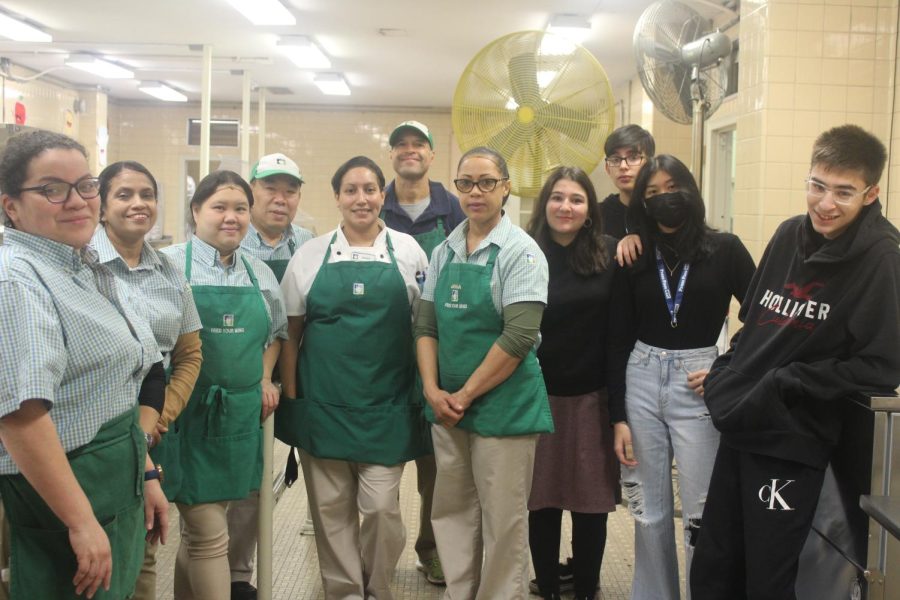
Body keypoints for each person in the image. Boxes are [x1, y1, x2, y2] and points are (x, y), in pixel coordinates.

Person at [691, 125, 900, 600]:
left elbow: (883, 366)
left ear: (871, 194)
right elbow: (756, 324)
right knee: (716, 562)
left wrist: (788, 382)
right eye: (818, 186)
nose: (826, 203)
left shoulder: (883, 259)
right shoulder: (788, 235)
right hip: (742, 423)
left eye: (843, 192)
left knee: (767, 576)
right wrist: (729, 370)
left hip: (792, 438)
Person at [0, 130, 167, 599]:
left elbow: (116, 384)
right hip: (69, 489)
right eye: (53, 189)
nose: (77, 201)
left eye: (85, 184)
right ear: (11, 205)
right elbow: (20, 416)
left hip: (118, 476)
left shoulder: (82, 265)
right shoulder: (17, 281)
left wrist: (146, 472)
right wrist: (79, 521)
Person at [277, 156, 430, 600]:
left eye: (369, 189)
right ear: (338, 197)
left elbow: (424, 328)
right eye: (350, 190)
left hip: (390, 404)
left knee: (382, 509)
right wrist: (294, 397)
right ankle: (344, 593)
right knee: (330, 512)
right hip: (323, 404)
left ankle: (376, 586)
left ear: (383, 195)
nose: (360, 198)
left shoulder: (409, 252)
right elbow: (291, 332)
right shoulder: (309, 255)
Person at [614, 154, 755, 600]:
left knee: (700, 511)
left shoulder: (725, 248)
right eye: (651, 193)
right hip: (641, 376)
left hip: (699, 380)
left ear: (690, 191)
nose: (663, 199)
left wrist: (726, 366)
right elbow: (616, 335)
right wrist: (617, 414)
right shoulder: (634, 251)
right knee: (648, 510)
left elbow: (762, 318)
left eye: (671, 187)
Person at [414, 146, 553, 599]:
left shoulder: (521, 253)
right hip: (448, 406)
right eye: (466, 183)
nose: (476, 192)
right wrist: (433, 389)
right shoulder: (446, 249)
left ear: (506, 187)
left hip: (503, 408)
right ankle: (459, 592)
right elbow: (426, 324)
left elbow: (517, 338)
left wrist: (465, 394)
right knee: (451, 511)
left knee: (503, 519)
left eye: (487, 182)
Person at [161, 170, 287, 600]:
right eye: (219, 207)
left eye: (240, 209)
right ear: (196, 211)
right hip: (185, 417)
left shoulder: (258, 274)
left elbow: (276, 334)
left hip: (238, 418)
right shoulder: (170, 265)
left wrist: (265, 376)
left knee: (199, 535)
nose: (231, 217)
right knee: (212, 534)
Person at [92, 160, 204, 600]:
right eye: (124, 195)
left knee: (142, 548)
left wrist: (159, 417)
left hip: (150, 428)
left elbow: (188, 353)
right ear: (101, 207)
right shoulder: (81, 265)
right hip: (94, 432)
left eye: (147, 195)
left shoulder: (169, 272)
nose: (139, 204)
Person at [525, 167, 631, 600]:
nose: (565, 207)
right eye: (557, 197)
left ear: (589, 209)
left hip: (592, 399)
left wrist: (619, 414)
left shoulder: (610, 256)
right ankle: (548, 586)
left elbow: (619, 338)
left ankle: (586, 588)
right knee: (542, 502)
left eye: (576, 199)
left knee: (592, 505)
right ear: (544, 204)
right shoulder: (524, 252)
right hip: (535, 397)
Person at [381, 119, 465, 586]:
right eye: (401, 145)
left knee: (438, 467)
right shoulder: (377, 204)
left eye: (419, 145)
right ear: (391, 155)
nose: (409, 151)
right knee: (382, 464)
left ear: (432, 156)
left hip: (443, 351)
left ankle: (433, 550)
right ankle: (379, 551)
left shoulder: (453, 209)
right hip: (387, 353)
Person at [230, 151, 313, 600]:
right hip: (243, 370)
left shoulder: (310, 242)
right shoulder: (232, 239)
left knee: (277, 474)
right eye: (270, 188)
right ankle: (237, 574)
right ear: (252, 191)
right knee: (247, 477)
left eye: (290, 190)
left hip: (295, 368)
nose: (280, 199)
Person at [599, 124, 655, 239]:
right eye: (615, 159)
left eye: (633, 157)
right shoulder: (597, 215)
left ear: (650, 164)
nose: (623, 166)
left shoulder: (660, 211)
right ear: (607, 168)